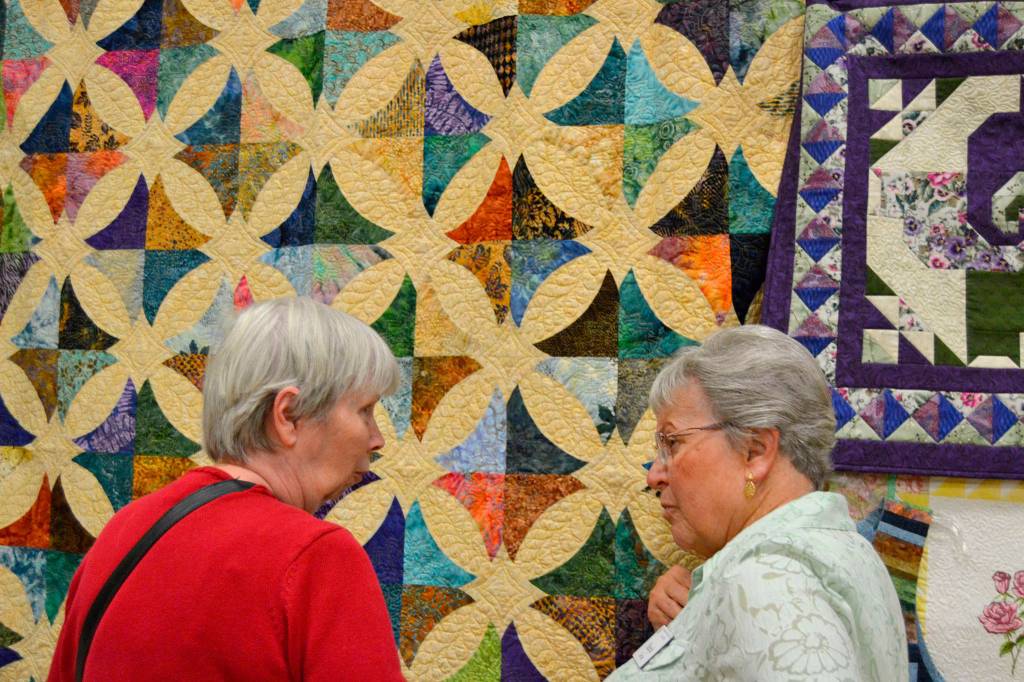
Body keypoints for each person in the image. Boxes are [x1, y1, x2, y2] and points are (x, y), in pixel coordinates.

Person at [49, 297, 405, 681]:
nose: (377, 438)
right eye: (365, 410)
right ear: (288, 416)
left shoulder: (121, 532)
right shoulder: (317, 558)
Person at [610, 325, 907, 680]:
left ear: (755, 451)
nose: (653, 476)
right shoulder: (836, 558)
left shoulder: (768, 583)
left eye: (672, 444)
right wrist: (694, 622)